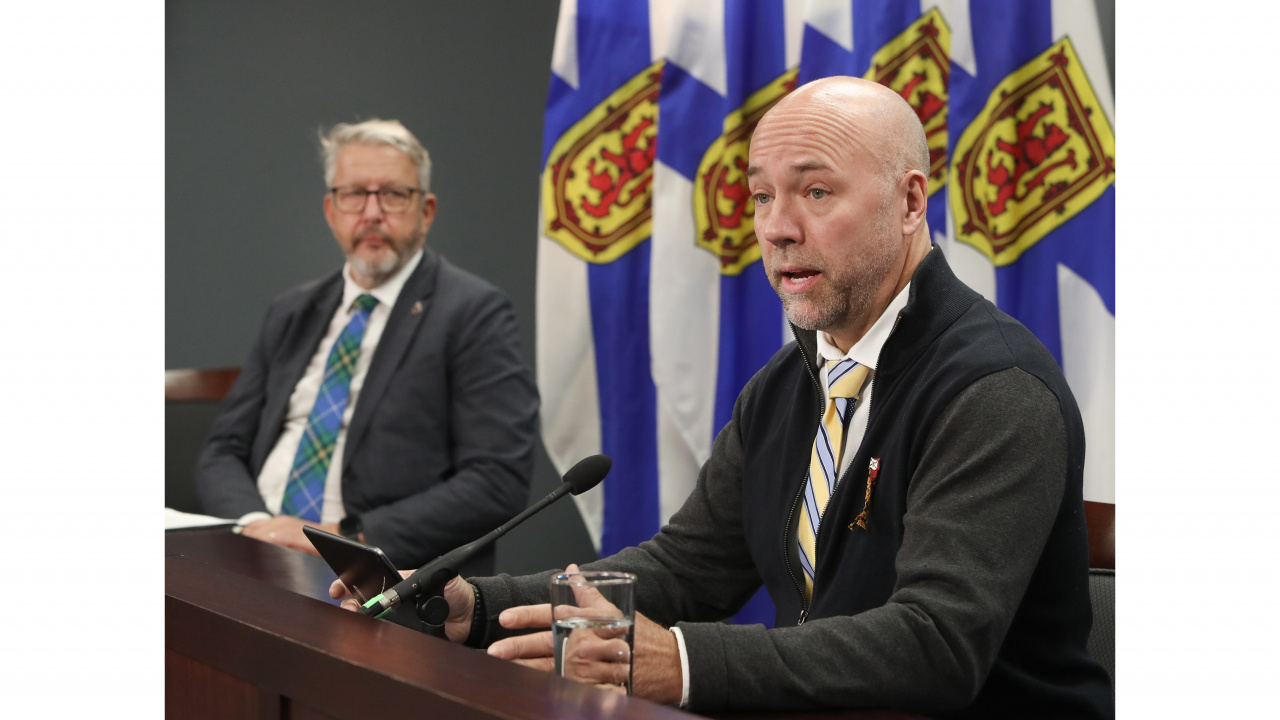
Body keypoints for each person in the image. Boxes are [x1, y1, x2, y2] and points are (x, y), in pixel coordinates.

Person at [337, 79, 1113, 716]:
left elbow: (933, 648)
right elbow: (686, 571)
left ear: (911, 204)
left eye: (814, 191)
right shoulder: (788, 385)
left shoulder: (994, 390)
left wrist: (677, 662)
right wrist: (474, 604)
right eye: (760, 196)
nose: (776, 228)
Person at [197, 119, 538, 575]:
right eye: (354, 194)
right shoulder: (293, 311)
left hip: (379, 574)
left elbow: (497, 481)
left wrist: (342, 539)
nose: (372, 212)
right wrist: (260, 525)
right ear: (330, 209)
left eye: (394, 194)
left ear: (427, 210)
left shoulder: (473, 312)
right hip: (257, 554)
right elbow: (223, 449)